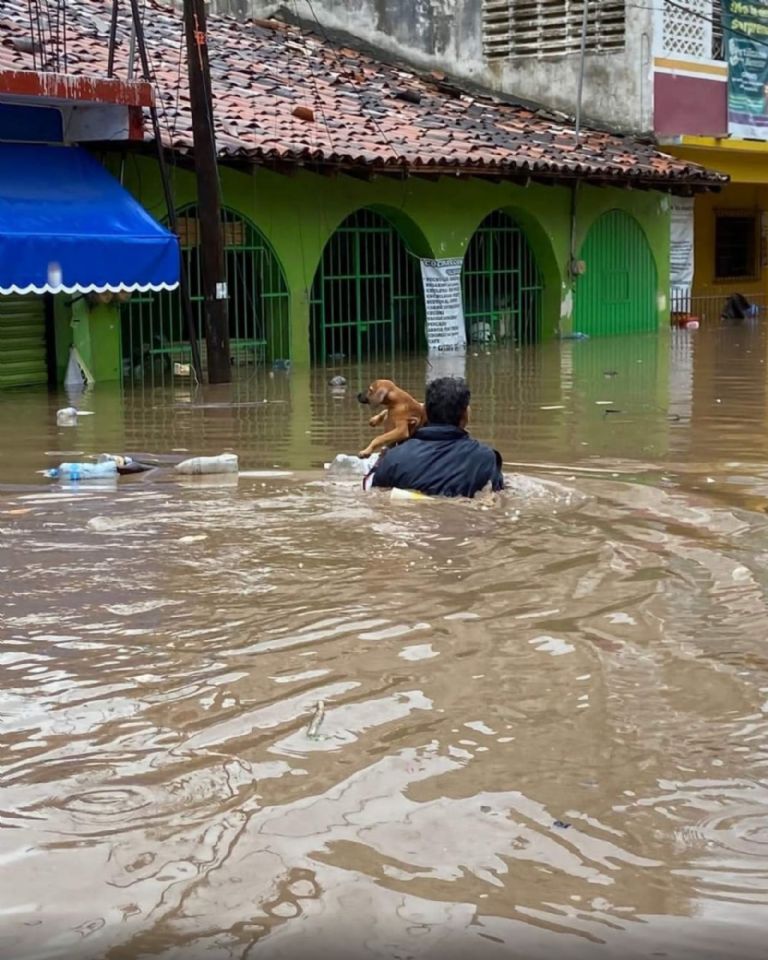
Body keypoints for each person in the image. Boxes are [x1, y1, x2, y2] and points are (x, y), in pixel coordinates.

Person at [368, 376, 504, 498]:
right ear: (465, 415)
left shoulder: (393, 458)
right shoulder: (486, 459)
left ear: (424, 411)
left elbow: (376, 496)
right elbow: (496, 496)